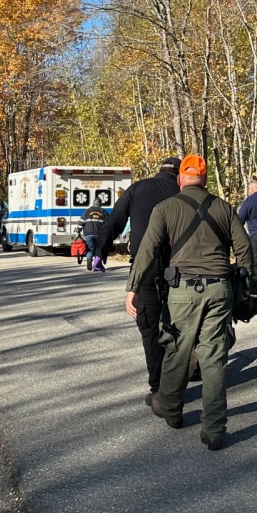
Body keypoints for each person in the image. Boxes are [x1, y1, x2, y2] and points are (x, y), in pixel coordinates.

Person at [126, 154, 253, 451]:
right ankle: (215, 428)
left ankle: (171, 409)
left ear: (181, 179)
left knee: (176, 350)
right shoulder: (223, 207)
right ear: (205, 178)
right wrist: (244, 284)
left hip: (182, 290)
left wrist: (132, 288)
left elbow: (147, 250)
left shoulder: (165, 208)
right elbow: (245, 251)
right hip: (220, 289)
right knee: (214, 356)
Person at [99, 156, 181, 405]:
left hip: (145, 269)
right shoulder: (182, 191)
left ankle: (158, 387)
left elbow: (114, 221)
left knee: (149, 325)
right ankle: (185, 373)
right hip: (179, 266)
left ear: (159, 171)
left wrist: (100, 251)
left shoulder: (137, 188)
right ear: (178, 174)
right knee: (181, 323)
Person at [79, 203, 107, 272]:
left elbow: (81, 222)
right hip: (100, 234)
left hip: (88, 234)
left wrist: (78, 230)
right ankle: (97, 264)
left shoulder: (87, 211)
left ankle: (89, 259)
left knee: (90, 248)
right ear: (100, 204)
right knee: (98, 249)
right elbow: (109, 222)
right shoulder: (103, 211)